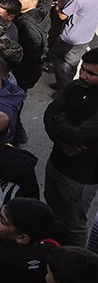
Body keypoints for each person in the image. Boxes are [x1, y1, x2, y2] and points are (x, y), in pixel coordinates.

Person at [43, 49, 98, 246]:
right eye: (83, 69)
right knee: (54, 211)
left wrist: (60, 120)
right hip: (57, 162)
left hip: (80, 178)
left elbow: (78, 135)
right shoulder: (75, 86)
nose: (83, 75)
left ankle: (73, 264)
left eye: (91, 73)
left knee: (75, 225)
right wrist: (61, 141)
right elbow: (49, 113)